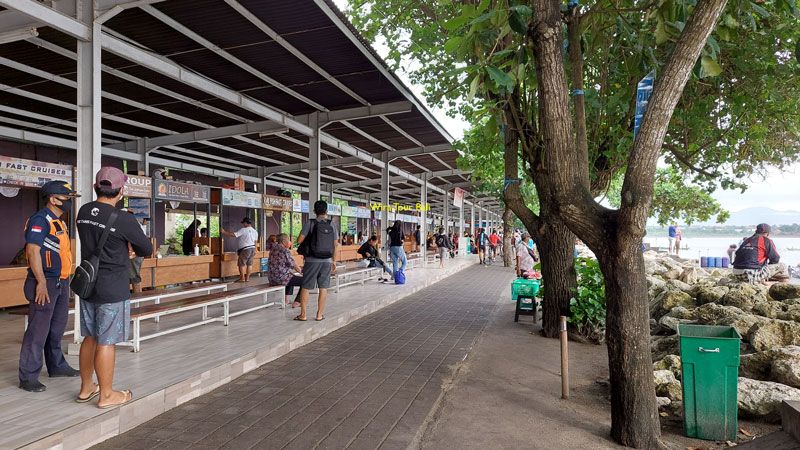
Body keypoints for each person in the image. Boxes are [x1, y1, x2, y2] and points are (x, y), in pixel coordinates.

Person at [76, 167, 152, 407]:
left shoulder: (83, 211)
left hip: (88, 283)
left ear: (95, 187)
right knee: (106, 340)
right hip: (112, 286)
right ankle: (107, 395)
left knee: (90, 336)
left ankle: (87, 387)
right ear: (121, 191)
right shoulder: (124, 219)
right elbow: (146, 250)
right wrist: (129, 247)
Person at [18, 181, 82, 392]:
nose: (69, 203)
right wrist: (42, 282)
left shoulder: (59, 222)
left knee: (56, 329)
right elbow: (34, 252)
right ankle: (28, 376)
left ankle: (56, 366)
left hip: (61, 282)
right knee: (38, 331)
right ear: (52, 199)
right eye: (66, 198)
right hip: (44, 283)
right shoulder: (40, 220)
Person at [295, 200, 339, 321]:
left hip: (312, 260)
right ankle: (319, 314)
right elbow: (335, 244)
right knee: (323, 288)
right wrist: (334, 261)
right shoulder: (331, 224)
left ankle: (303, 315)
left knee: (306, 287)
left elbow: (299, 240)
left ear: (314, 211)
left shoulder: (310, 222)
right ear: (326, 212)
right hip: (327, 260)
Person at [267, 234, 304, 306]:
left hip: (272, 278)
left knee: (290, 275)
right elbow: (294, 265)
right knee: (306, 281)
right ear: (283, 241)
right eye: (288, 239)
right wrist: (302, 272)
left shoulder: (273, 249)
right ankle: (298, 301)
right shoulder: (285, 250)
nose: (290, 242)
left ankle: (286, 299)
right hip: (281, 278)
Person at [220, 217, 259, 283]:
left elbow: (234, 235)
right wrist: (255, 249)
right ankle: (247, 278)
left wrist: (224, 232)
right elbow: (255, 241)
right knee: (250, 264)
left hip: (245, 249)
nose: (243, 224)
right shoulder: (255, 231)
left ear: (246, 223)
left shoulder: (243, 230)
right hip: (252, 248)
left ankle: (242, 278)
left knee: (241, 264)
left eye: (244, 223)